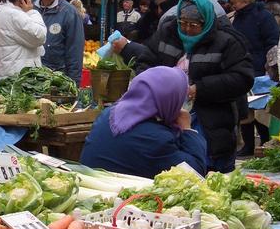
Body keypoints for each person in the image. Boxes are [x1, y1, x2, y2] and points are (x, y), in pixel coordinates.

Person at [113, 0, 255, 172]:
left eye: (194, 25)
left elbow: (242, 78)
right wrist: (155, 89)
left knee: (207, 174)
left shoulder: (227, 42)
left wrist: (200, 88)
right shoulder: (167, 34)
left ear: (206, 22)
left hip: (210, 124)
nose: (187, 29)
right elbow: (146, 62)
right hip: (167, 119)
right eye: (183, 23)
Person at [80, 66, 208, 178]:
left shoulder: (109, 113)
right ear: (169, 100)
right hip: (111, 201)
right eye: (182, 98)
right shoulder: (156, 139)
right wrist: (187, 129)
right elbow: (195, 172)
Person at [230, 0, 280, 156]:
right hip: (242, 69)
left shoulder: (263, 17)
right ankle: (248, 145)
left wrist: (270, 69)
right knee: (245, 110)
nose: (233, 5)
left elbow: (272, 43)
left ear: (243, 0)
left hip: (259, 71)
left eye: (235, 1)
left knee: (259, 109)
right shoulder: (236, 17)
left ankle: (265, 143)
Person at [34, 0, 84, 84]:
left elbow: (75, 50)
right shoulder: (31, 11)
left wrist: (74, 83)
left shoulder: (70, 13)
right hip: (33, 78)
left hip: (58, 80)